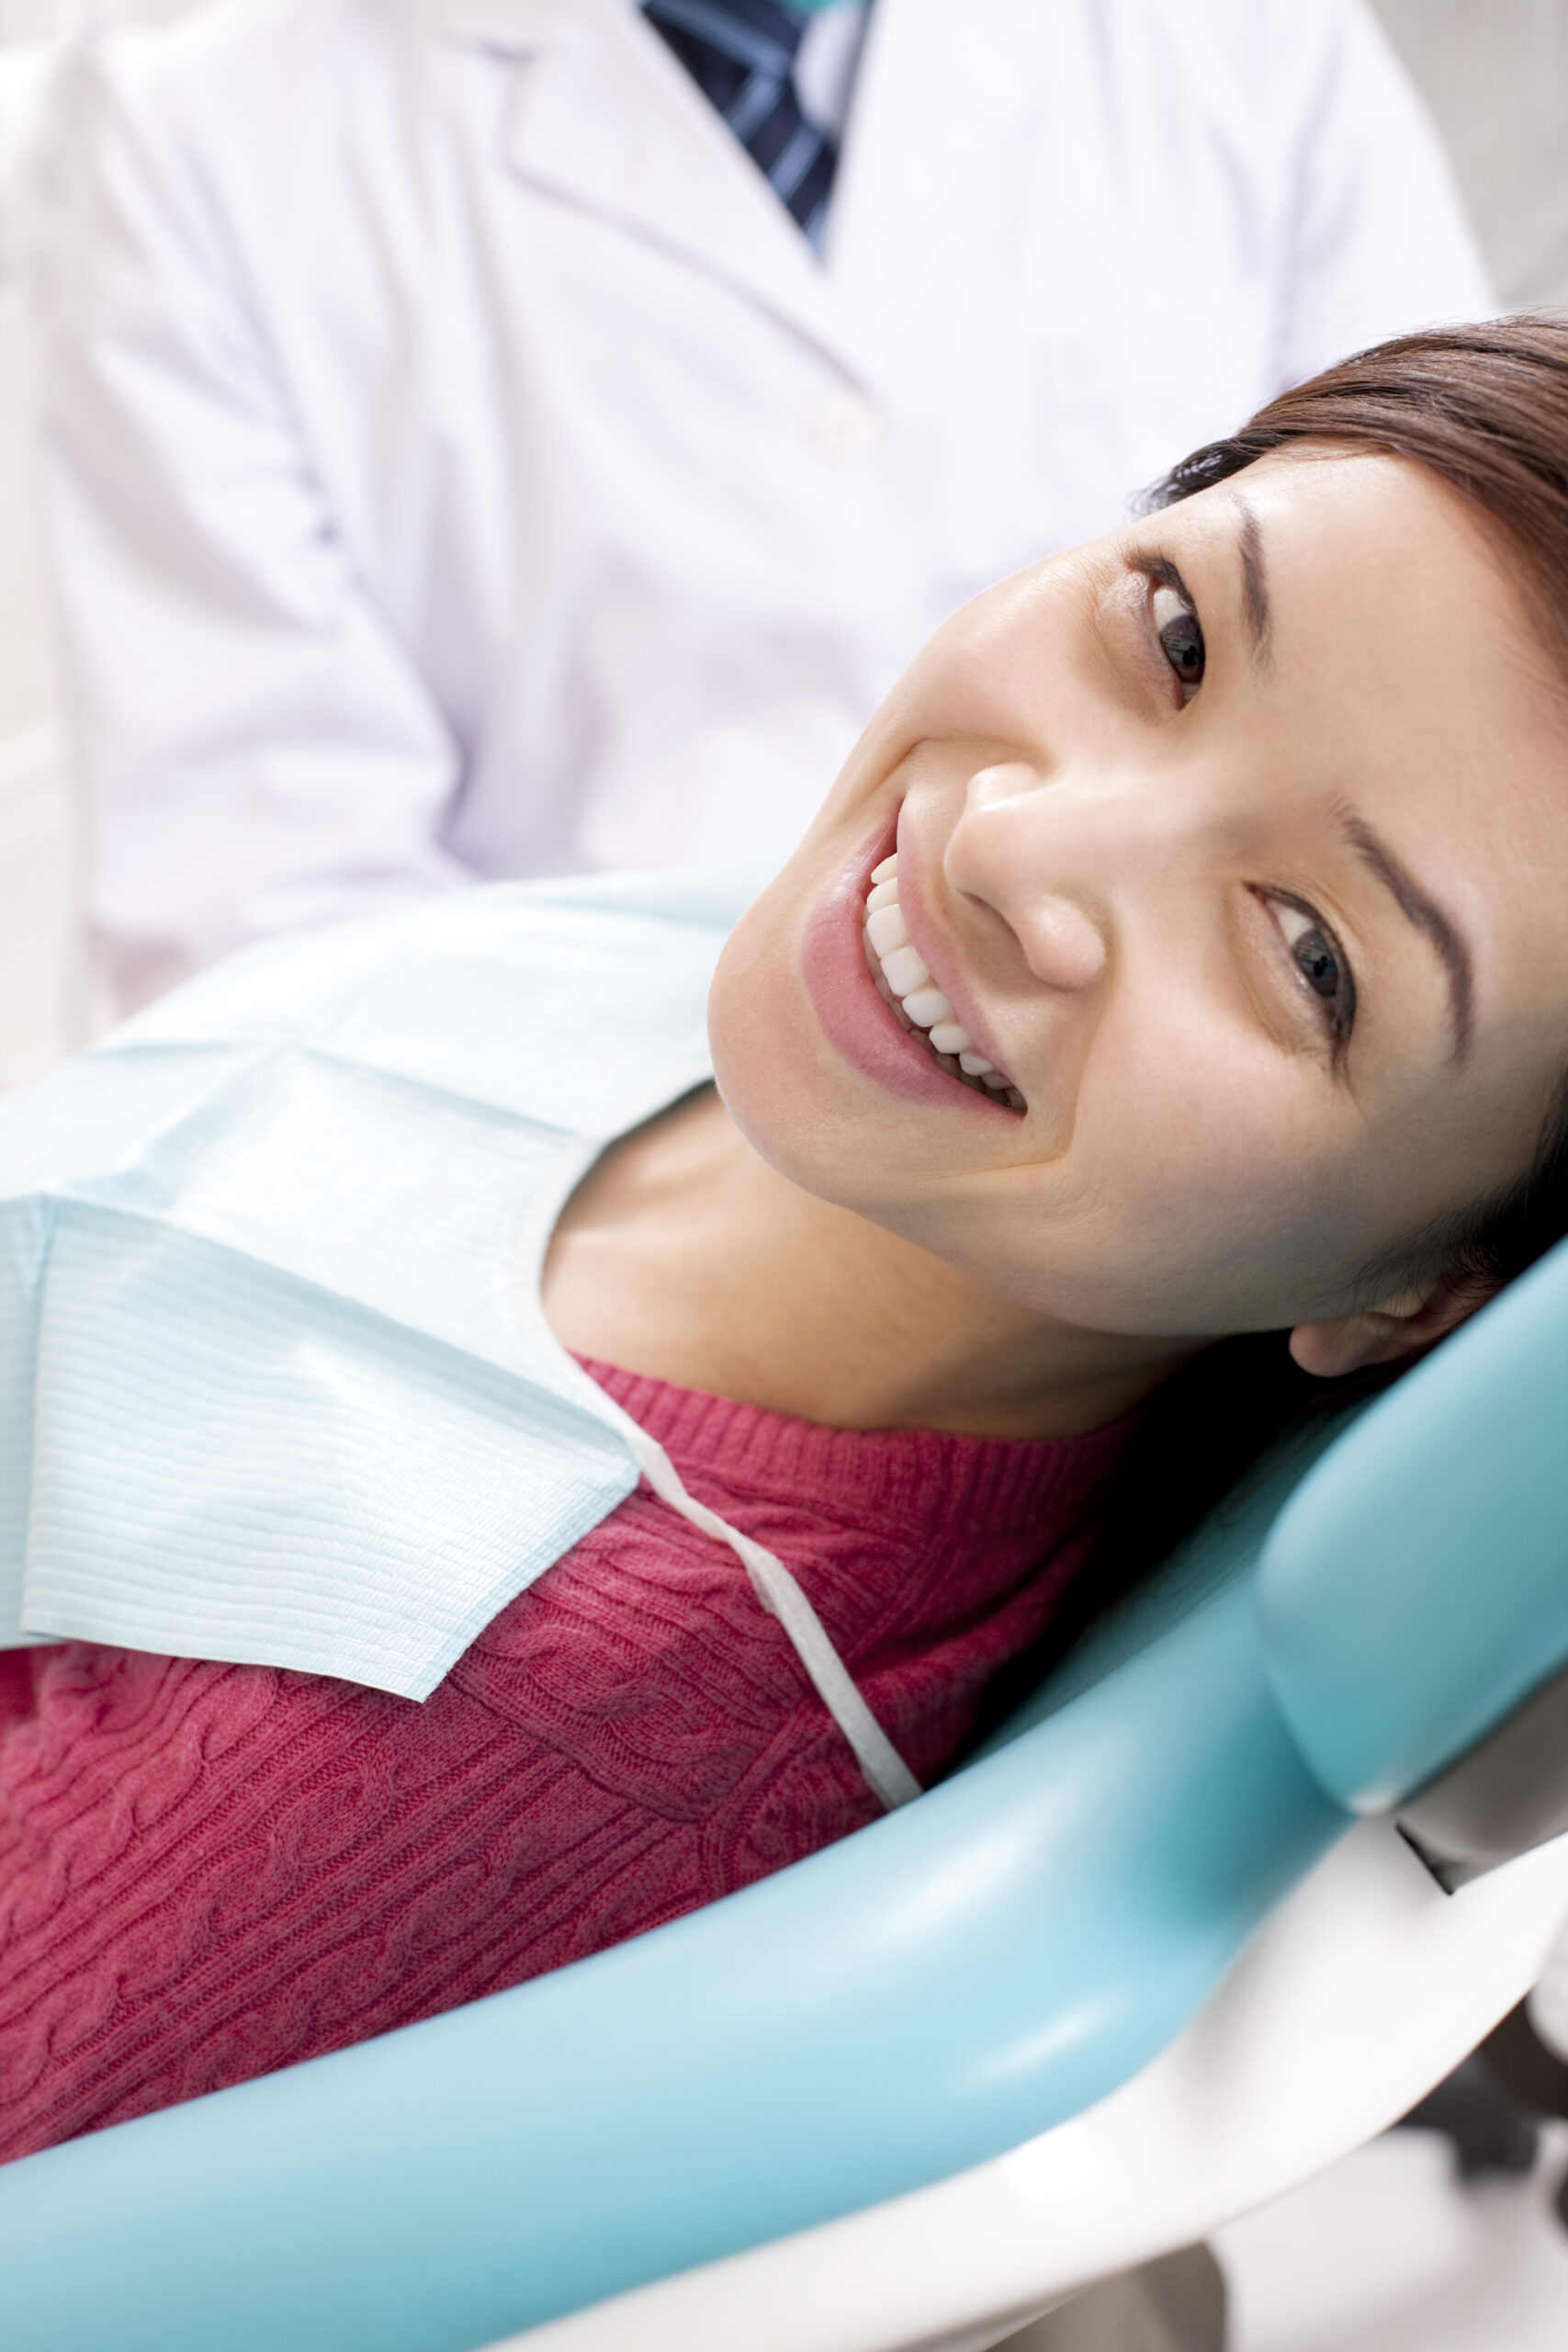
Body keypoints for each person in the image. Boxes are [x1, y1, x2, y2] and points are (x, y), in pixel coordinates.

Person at [7, 317, 1568, 2166]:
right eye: (1171, 633)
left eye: (1305, 950)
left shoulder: (490, 1749)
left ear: (1414, 1290)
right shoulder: (718, 984)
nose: (1013, 835)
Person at [32, 0, 1490, 1010]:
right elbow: (272, 924)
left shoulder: (1243, 35)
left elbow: (1456, 635)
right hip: (589, 1167)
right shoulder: (202, 151)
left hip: (1167, 1167)